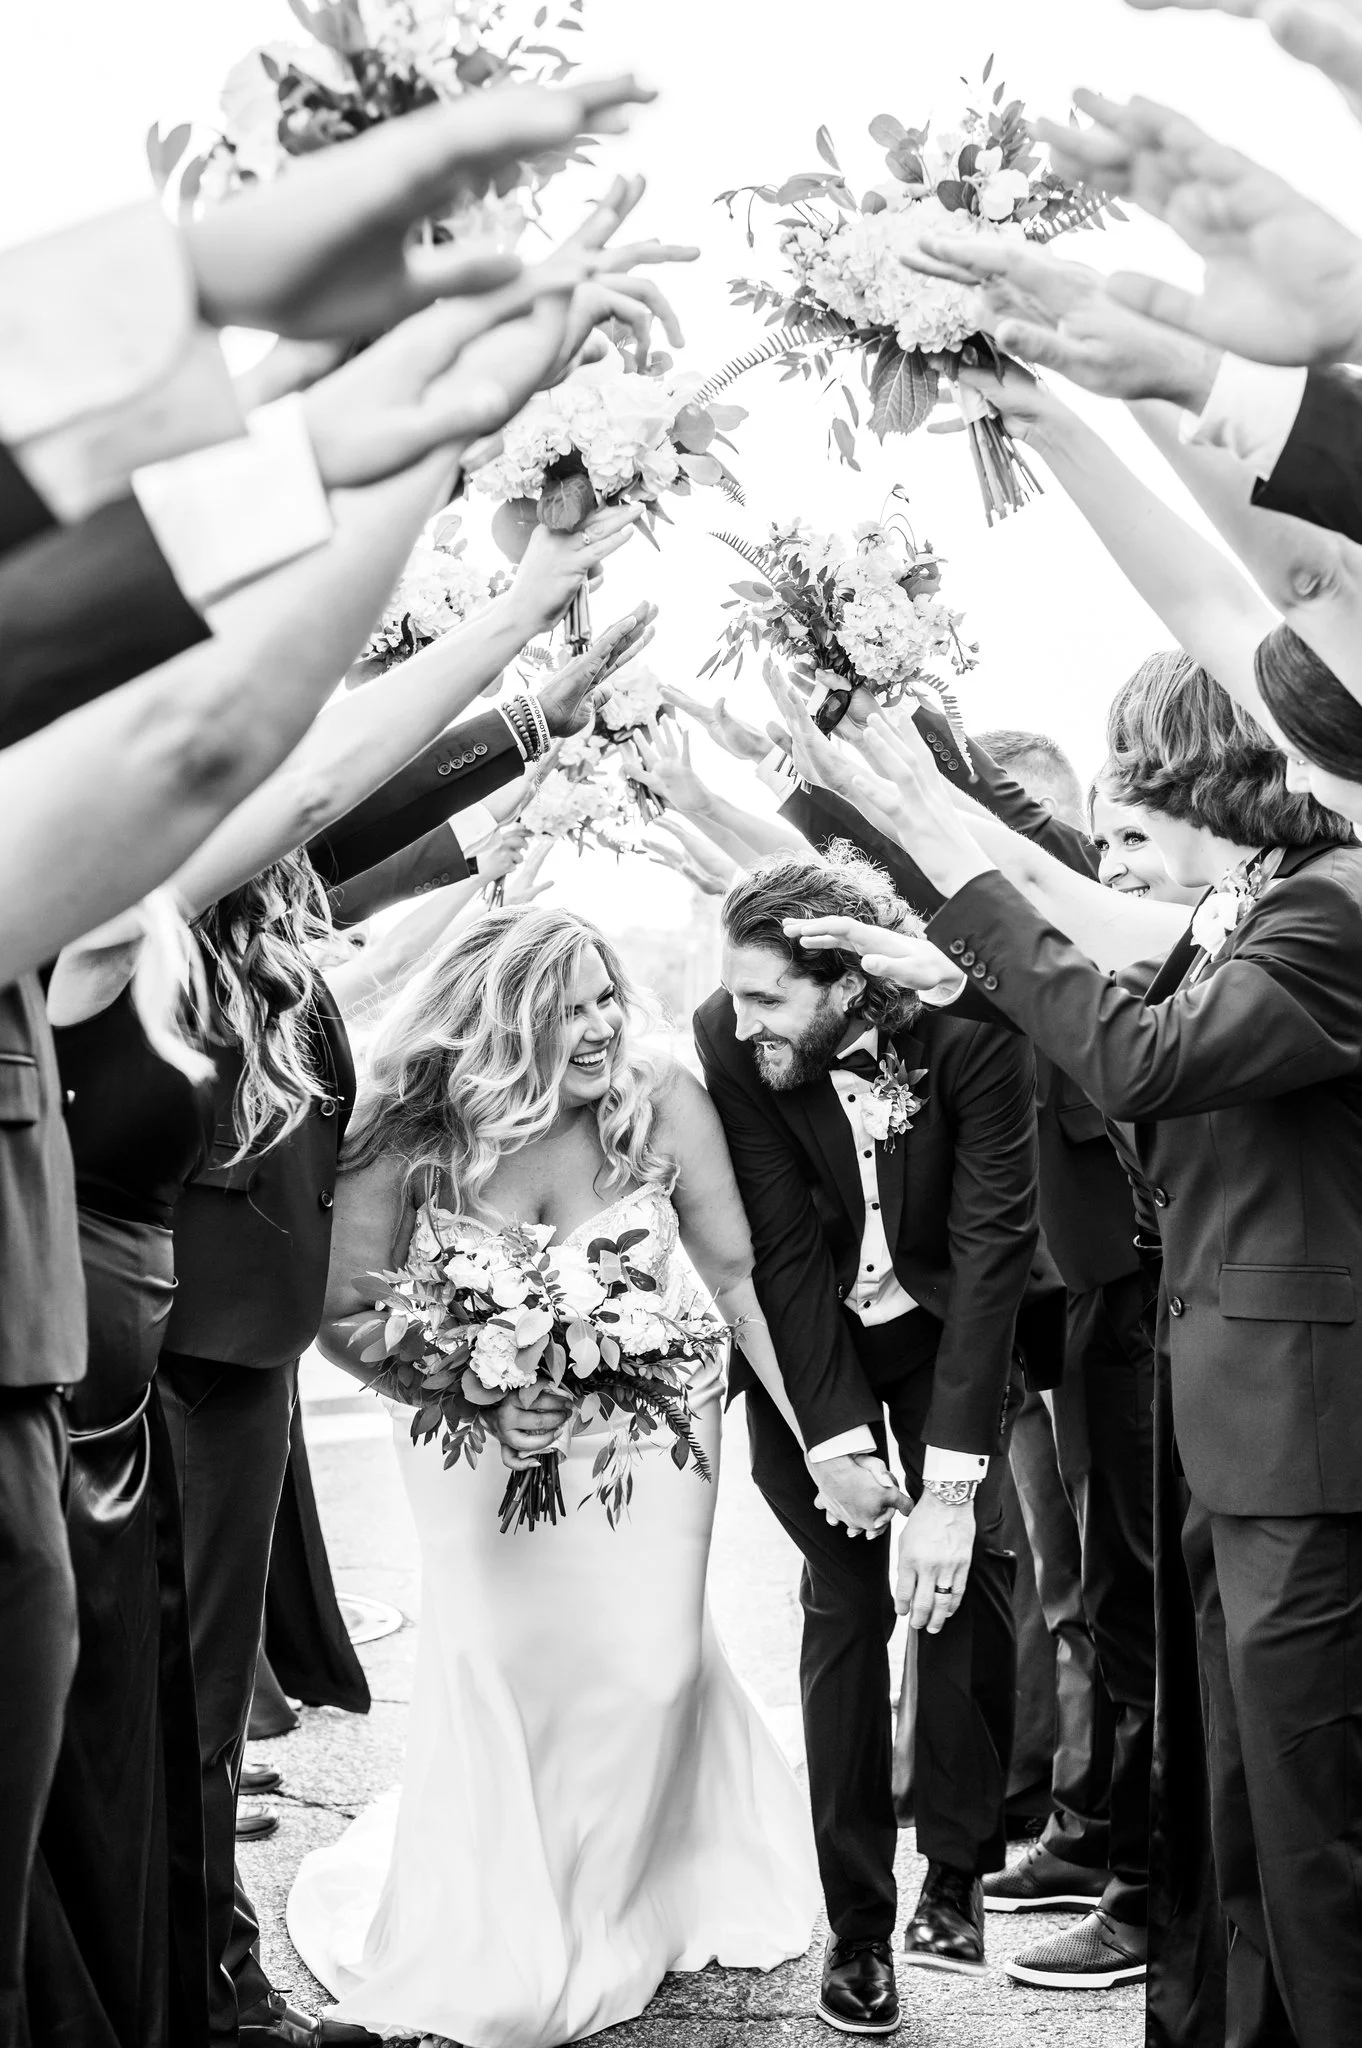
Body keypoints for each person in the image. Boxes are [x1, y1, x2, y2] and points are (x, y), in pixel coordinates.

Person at [810, 660, 1362, 2048]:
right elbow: (1094, 926)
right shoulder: (1274, 906)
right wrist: (929, 856)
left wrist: (940, 835)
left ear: (1207, 776)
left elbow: (1140, 1056)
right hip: (1242, 1422)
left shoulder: (1334, 910)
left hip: (1308, 1435)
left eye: (1137, 790)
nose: (1120, 819)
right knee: (1230, 1808)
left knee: (1309, 1833)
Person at [287, 907, 821, 2047]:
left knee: (652, 1665)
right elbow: (342, 1314)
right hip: (473, 1443)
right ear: (498, 1012)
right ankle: (513, 1928)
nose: (597, 1027)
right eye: (567, 1004)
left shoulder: (659, 1096)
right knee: (506, 1667)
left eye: (605, 998)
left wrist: (827, 1437)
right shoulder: (408, 1127)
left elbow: (734, 1279)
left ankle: (641, 1888)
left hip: (649, 1435)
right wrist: (469, 1389)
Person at [695, 848, 1040, 2036]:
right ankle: (858, 1927)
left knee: (971, 1570)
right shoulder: (731, 1042)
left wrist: (947, 1485)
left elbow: (994, 1249)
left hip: (947, 1331)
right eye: (734, 996)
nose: (741, 1025)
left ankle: (956, 1867)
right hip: (815, 1347)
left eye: (766, 998)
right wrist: (835, 1438)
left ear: (846, 980)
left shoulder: (970, 1030)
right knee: (845, 1604)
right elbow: (780, 1250)